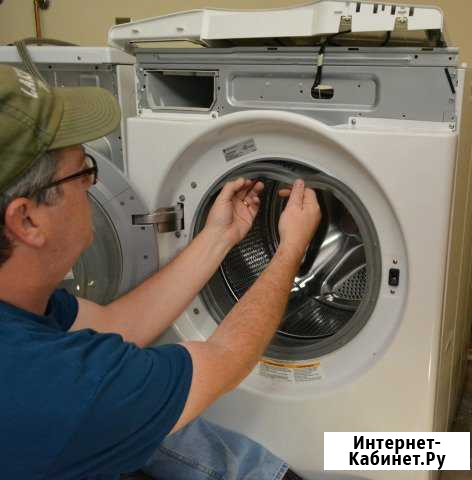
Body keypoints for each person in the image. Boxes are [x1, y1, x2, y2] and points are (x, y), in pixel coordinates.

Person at [0, 64, 321, 480]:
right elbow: (224, 359)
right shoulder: (55, 386)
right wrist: (290, 250)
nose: (92, 186)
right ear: (26, 220)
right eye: (84, 170)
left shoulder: (19, 308)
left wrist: (219, 236)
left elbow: (115, 324)